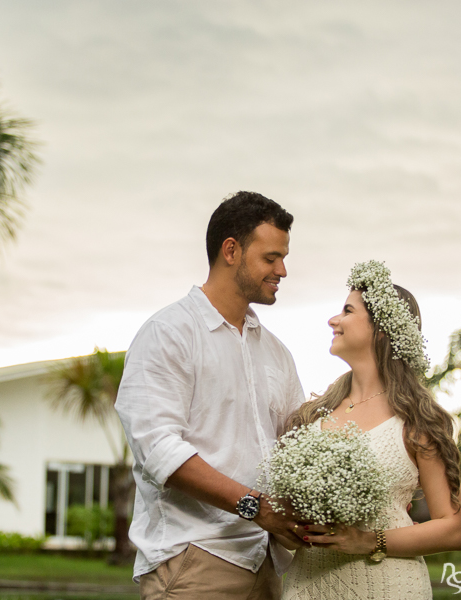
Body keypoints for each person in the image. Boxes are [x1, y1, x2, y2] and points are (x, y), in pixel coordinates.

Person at [115, 191, 309, 599]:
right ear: (231, 250)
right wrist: (257, 507)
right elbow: (160, 451)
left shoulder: (276, 353)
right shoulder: (168, 333)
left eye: (284, 257)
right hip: (195, 562)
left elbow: (300, 444)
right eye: (271, 257)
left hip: (267, 564)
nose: (283, 270)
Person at [280, 260, 461, 600]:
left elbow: (453, 529)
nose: (333, 320)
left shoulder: (419, 421)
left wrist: (369, 540)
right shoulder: (311, 417)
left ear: (380, 329)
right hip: (309, 586)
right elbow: (286, 525)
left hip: (387, 586)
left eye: (347, 311)